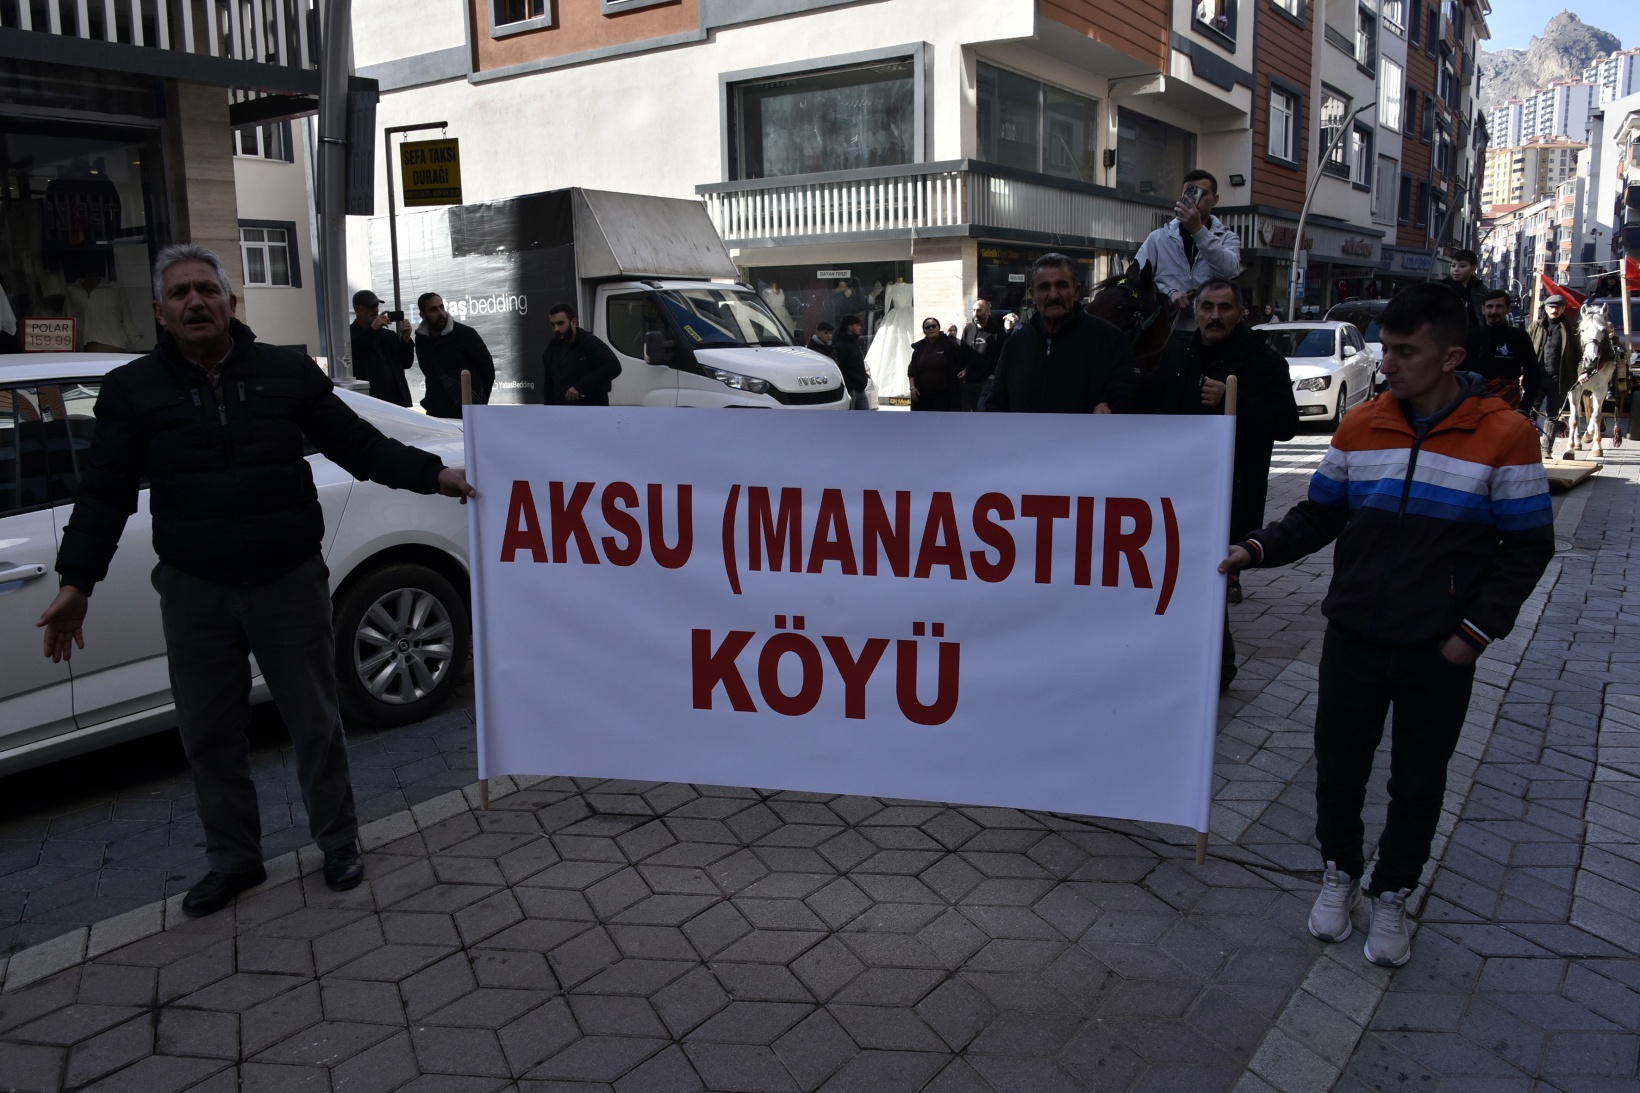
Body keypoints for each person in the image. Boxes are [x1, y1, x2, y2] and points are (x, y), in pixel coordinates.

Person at [36, 245, 477, 918]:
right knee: (210, 734)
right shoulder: (133, 391)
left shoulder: (283, 372)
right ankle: (234, 858)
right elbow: (104, 495)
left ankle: (338, 841)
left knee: (315, 722)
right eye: (180, 292)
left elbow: (357, 444)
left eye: (206, 289)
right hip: (195, 588)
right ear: (160, 311)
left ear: (229, 301)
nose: (194, 301)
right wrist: (76, 582)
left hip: (286, 579)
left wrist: (434, 474)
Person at [1219, 284, 1553, 968]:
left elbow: (1528, 546)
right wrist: (1254, 549)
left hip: (1439, 649)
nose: (1388, 363)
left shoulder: (1506, 434)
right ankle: (1339, 873)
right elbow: (1319, 515)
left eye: (1405, 351)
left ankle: (1394, 890)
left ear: (1451, 355)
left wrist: (1474, 633)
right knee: (1338, 772)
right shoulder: (1361, 425)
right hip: (1352, 638)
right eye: (1386, 349)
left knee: (1419, 781)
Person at [1146, 280, 1298, 688]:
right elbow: (1153, 405)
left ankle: (1217, 668)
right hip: (1174, 491)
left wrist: (1236, 401)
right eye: (1208, 307)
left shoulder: (1265, 363)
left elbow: (1286, 424)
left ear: (1241, 312)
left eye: (1225, 307)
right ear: (1195, 312)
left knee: (1209, 580)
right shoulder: (1178, 353)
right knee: (1176, 577)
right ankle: (1191, 660)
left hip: (1230, 493)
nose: (1215, 316)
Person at [986, 254, 1143, 414]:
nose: (1053, 295)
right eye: (1044, 287)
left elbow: (1130, 400)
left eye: (1061, 285)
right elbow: (996, 406)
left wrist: (1109, 408)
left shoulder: (1111, 340)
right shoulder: (1015, 344)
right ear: (1033, 295)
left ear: (1076, 291)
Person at [1133, 169, 1242, 344]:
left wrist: (1199, 231)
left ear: (1215, 200)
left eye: (1202, 194)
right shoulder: (1158, 237)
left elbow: (1228, 271)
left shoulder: (1227, 238)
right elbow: (1136, 280)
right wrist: (1169, 294)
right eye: (1189, 193)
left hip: (1212, 334)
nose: (1194, 200)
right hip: (1165, 333)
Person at [414, 292, 494, 418]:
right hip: (437, 413)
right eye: (433, 309)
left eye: (441, 307)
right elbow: (428, 373)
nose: (440, 313)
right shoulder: (421, 340)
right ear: (422, 315)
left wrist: (479, 402)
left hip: (467, 412)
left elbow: (487, 370)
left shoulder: (466, 334)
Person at [1463, 289, 1540, 411]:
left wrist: (1525, 407)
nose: (1493, 311)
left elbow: (1532, 374)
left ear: (1508, 309)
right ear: (1483, 309)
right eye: (1489, 307)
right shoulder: (1470, 336)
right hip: (1473, 399)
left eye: (1499, 307)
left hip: (1508, 402)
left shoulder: (1519, 336)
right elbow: (1457, 371)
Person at [1527, 294, 1581, 455]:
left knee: (1553, 415)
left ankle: (1546, 450)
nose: (1554, 310)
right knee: (1530, 412)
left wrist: (1580, 373)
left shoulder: (1572, 328)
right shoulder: (1535, 327)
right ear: (1545, 308)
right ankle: (1529, 447)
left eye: (1558, 307)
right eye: (1551, 306)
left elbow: (1580, 355)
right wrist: (1523, 373)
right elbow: (1526, 352)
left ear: (1563, 309)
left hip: (1559, 379)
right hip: (1536, 377)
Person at [539, 302, 621, 405]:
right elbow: (548, 386)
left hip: (589, 412)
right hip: (560, 413)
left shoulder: (589, 343)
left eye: (560, 323)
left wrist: (580, 387)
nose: (556, 329)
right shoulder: (550, 350)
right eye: (553, 324)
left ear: (573, 322)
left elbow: (613, 366)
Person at [348, 289, 414, 407]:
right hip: (369, 401)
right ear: (357, 309)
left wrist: (406, 339)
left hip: (396, 402)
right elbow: (352, 349)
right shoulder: (347, 334)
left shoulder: (388, 335)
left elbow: (406, 363)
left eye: (376, 306)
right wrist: (372, 329)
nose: (376, 310)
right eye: (370, 306)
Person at [908, 318, 969, 412]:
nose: (931, 329)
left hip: (945, 396)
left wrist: (965, 371)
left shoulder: (950, 344)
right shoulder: (919, 347)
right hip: (923, 396)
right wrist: (912, 388)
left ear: (939, 328)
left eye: (933, 326)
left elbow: (964, 360)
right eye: (927, 327)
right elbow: (911, 371)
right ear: (924, 331)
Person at [960, 300, 1008, 412]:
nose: (975, 313)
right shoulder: (968, 330)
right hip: (970, 380)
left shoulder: (998, 332)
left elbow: (1004, 355)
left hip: (988, 380)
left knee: (981, 411)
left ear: (987, 311)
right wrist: (963, 370)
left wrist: (994, 374)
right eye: (974, 310)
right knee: (972, 412)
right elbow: (963, 352)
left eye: (979, 310)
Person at [1437, 249, 1488, 329]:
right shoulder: (1441, 289)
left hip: (1476, 335)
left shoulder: (1481, 289)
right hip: (1449, 335)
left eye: (1462, 266)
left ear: (1473, 269)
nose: (1456, 269)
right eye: (1453, 265)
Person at [832, 314, 871, 409]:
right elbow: (840, 369)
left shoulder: (854, 343)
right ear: (850, 327)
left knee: (867, 419)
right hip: (851, 391)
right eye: (857, 325)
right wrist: (850, 387)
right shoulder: (840, 346)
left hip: (861, 389)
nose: (860, 328)